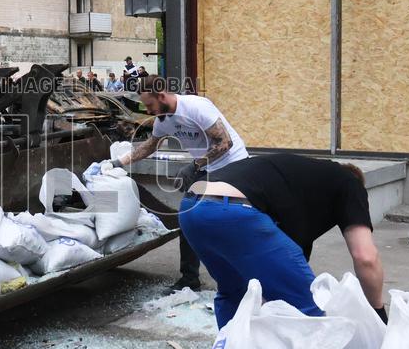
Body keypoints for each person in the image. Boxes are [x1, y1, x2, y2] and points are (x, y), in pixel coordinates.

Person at [179, 154, 386, 328]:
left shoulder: (299, 181)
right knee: (308, 308)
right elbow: (365, 257)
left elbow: (281, 267)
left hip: (191, 208)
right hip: (232, 209)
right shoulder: (350, 182)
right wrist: (379, 316)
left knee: (234, 295)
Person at [86, 76, 249, 292]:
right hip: (208, 168)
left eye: (150, 105)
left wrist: (195, 166)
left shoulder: (195, 107)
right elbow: (149, 146)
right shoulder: (164, 120)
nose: (148, 110)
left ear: (161, 96)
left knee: (228, 222)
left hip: (235, 165)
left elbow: (225, 142)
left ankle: (248, 278)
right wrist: (117, 162)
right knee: (188, 219)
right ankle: (189, 280)